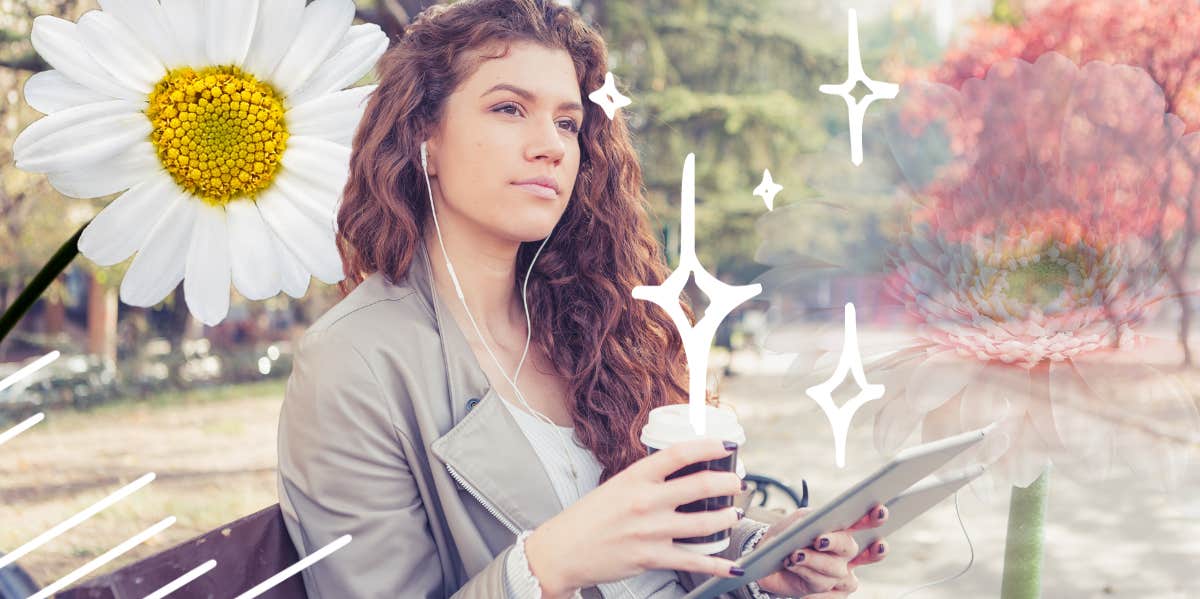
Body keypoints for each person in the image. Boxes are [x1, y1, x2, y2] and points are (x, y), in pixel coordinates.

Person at [276, 1, 890, 597]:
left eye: (568, 122)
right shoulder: (352, 363)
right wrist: (546, 565)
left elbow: (648, 545)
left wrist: (758, 557)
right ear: (424, 138)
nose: (552, 145)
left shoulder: (592, 319)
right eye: (510, 108)